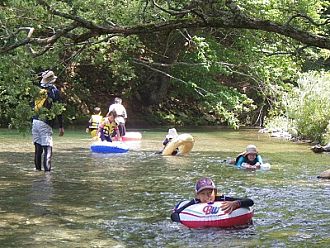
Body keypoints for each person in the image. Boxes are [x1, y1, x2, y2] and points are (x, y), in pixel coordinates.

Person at [171, 177, 254, 222]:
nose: (207, 197)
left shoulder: (221, 198)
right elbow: (175, 214)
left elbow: (250, 201)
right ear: (197, 196)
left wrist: (235, 203)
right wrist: (182, 222)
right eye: (203, 194)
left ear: (215, 192)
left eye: (210, 193)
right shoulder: (195, 202)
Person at [32, 70, 64, 172]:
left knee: (38, 150)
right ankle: (47, 175)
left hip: (35, 121)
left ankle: (37, 171)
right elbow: (58, 110)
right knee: (48, 149)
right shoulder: (54, 91)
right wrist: (61, 126)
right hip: (45, 123)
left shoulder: (38, 90)